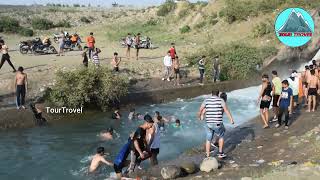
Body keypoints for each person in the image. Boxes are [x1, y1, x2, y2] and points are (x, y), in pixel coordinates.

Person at [198, 90, 235, 158]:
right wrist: (231, 120)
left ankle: (208, 155)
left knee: (208, 138)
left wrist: (200, 116)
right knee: (221, 134)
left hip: (208, 123)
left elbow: (201, 109)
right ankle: (220, 153)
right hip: (217, 123)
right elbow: (226, 110)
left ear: (211, 94)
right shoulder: (221, 101)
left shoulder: (208, 100)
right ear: (218, 94)